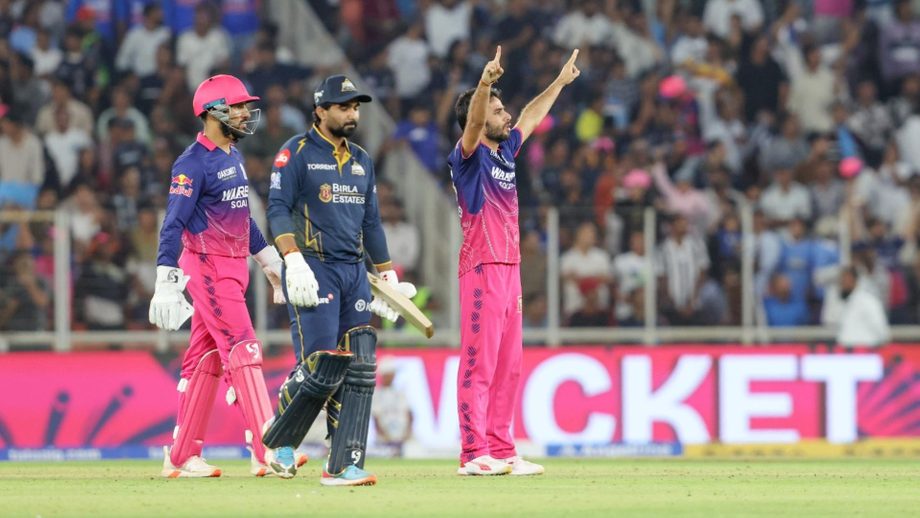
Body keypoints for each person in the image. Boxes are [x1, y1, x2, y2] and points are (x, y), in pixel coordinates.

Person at [262, 74, 416, 486]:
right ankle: (280, 442)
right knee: (320, 365)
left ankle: (342, 463)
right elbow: (277, 209)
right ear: (320, 110)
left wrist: (387, 274)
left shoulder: (362, 159)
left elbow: (372, 223)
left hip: (354, 273)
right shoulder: (296, 152)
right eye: (344, 107)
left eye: (356, 107)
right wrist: (292, 259)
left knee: (357, 366)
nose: (353, 114)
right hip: (313, 268)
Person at [150, 74, 299, 479]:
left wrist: (268, 260)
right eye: (237, 107)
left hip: (234, 268)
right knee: (243, 347)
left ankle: (181, 456)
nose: (246, 114)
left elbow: (241, 217)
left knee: (207, 359)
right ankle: (269, 447)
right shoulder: (192, 163)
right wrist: (165, 277)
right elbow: (173, 222)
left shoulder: (232, 156)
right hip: (209, 268)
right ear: (213, 112)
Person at [448, 46, 580, 476]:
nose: (506, 116)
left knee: (509, 367)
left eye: (503, 109)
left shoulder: (505, 154)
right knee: (479, 364)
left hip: (510, 269)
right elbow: (473, 123)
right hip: (482, 268)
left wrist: (559, 83)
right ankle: (473, 452)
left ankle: (503, 449)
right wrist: (484, 83)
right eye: (497, 110)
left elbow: (531, 117)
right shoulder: (468, 157)